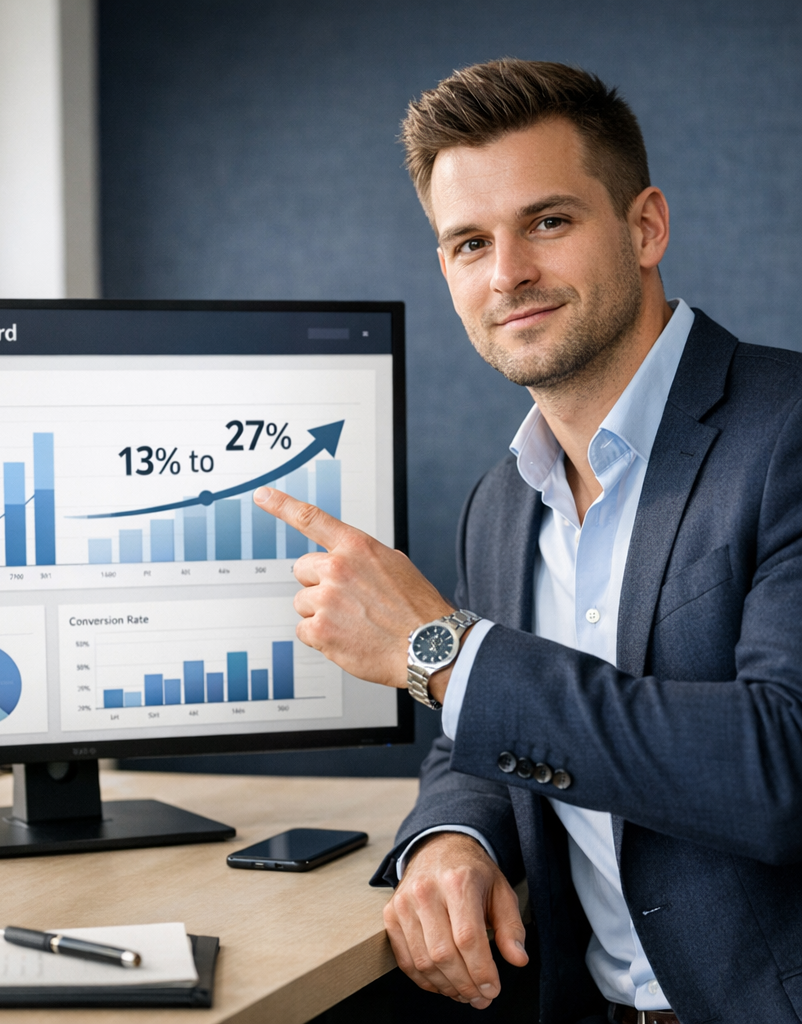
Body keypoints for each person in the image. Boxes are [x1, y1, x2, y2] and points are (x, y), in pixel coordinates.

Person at [253, 59, 802, 1024]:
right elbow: (481, 742)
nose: (508, 273)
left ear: (644, 226)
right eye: (470, 242)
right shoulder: (503, 502)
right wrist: (448, 842)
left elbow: (779, 768)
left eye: (548, 222)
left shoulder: (788, 432)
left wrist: (440, 649)